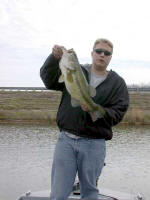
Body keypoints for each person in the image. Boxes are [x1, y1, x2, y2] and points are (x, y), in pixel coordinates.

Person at [40, 38, 129, 200]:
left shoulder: (117, 83)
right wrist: (53, 58)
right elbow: (49, 79)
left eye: (107, 53)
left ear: (110, 57)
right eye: (99, 51)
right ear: (92, 53)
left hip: (94, 144)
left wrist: (98, 110)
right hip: (66, 141)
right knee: (58, 192)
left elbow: (118, 113)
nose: (102, 55)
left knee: (89, 192)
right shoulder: (74, 71)